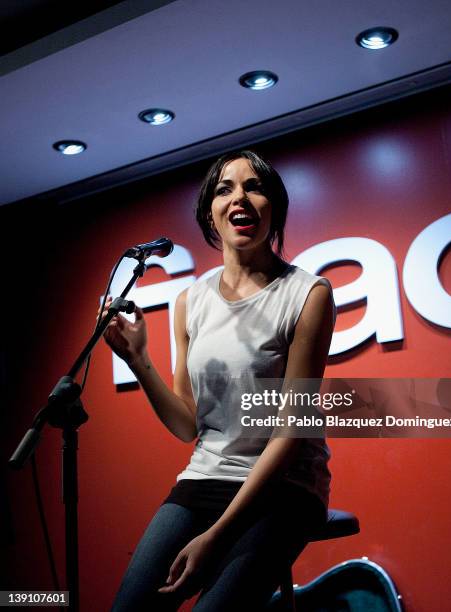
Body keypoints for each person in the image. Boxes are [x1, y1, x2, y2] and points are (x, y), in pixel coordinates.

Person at [104, 150, 336, 611]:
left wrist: (216, 537)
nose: (240, 198)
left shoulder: (308, 294)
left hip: (283, 486)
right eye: (225, 189)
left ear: (275, 208)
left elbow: (289, 434)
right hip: (207, 475)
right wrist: (137, 360)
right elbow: (188, 425)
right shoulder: (190, 300)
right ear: (209, 211)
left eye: (255, 187)